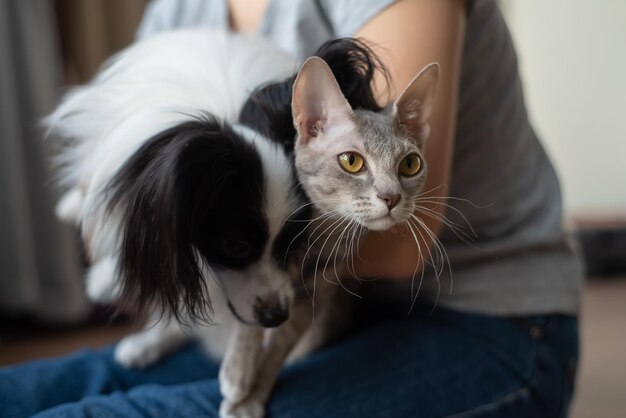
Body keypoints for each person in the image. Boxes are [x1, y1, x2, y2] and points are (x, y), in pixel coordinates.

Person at [0, 1, 581, 417]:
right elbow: (127, 227)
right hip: (298, 320)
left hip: (481, 321)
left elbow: (400, 242)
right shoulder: (181, 15)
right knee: (21, 396)